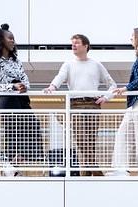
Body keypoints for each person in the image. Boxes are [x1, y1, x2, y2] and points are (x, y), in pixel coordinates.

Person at [43, 34, 117, 176]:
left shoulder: (96, 64)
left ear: (86, 46)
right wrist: (52, 87)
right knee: (81, 138)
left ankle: (86, 173)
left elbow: (112, 84)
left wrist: (106, 97)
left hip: (93, 104)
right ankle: (95, 170)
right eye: (72, 43)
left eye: (77, 43)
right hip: (75, 105)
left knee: (90, 139)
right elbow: (60, 77)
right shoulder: (68, 64)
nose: (73, 45)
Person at [0, 23, 43, 171]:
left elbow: (26, 80)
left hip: (21, 98)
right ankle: (13, 165)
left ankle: (15, 164)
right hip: (7, 99)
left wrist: (24, 86)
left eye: (13, 39)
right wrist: (12, 86)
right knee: (13, 131)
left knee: (33, 125)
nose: (13, 41)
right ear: (1, 40)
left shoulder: (16, 60)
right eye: (10, 38)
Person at [108, 27, 138, 176]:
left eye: (132, 36)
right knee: (123, 133)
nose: (130, 38)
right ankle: (121, 167)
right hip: (135, 102)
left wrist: (126, 88)